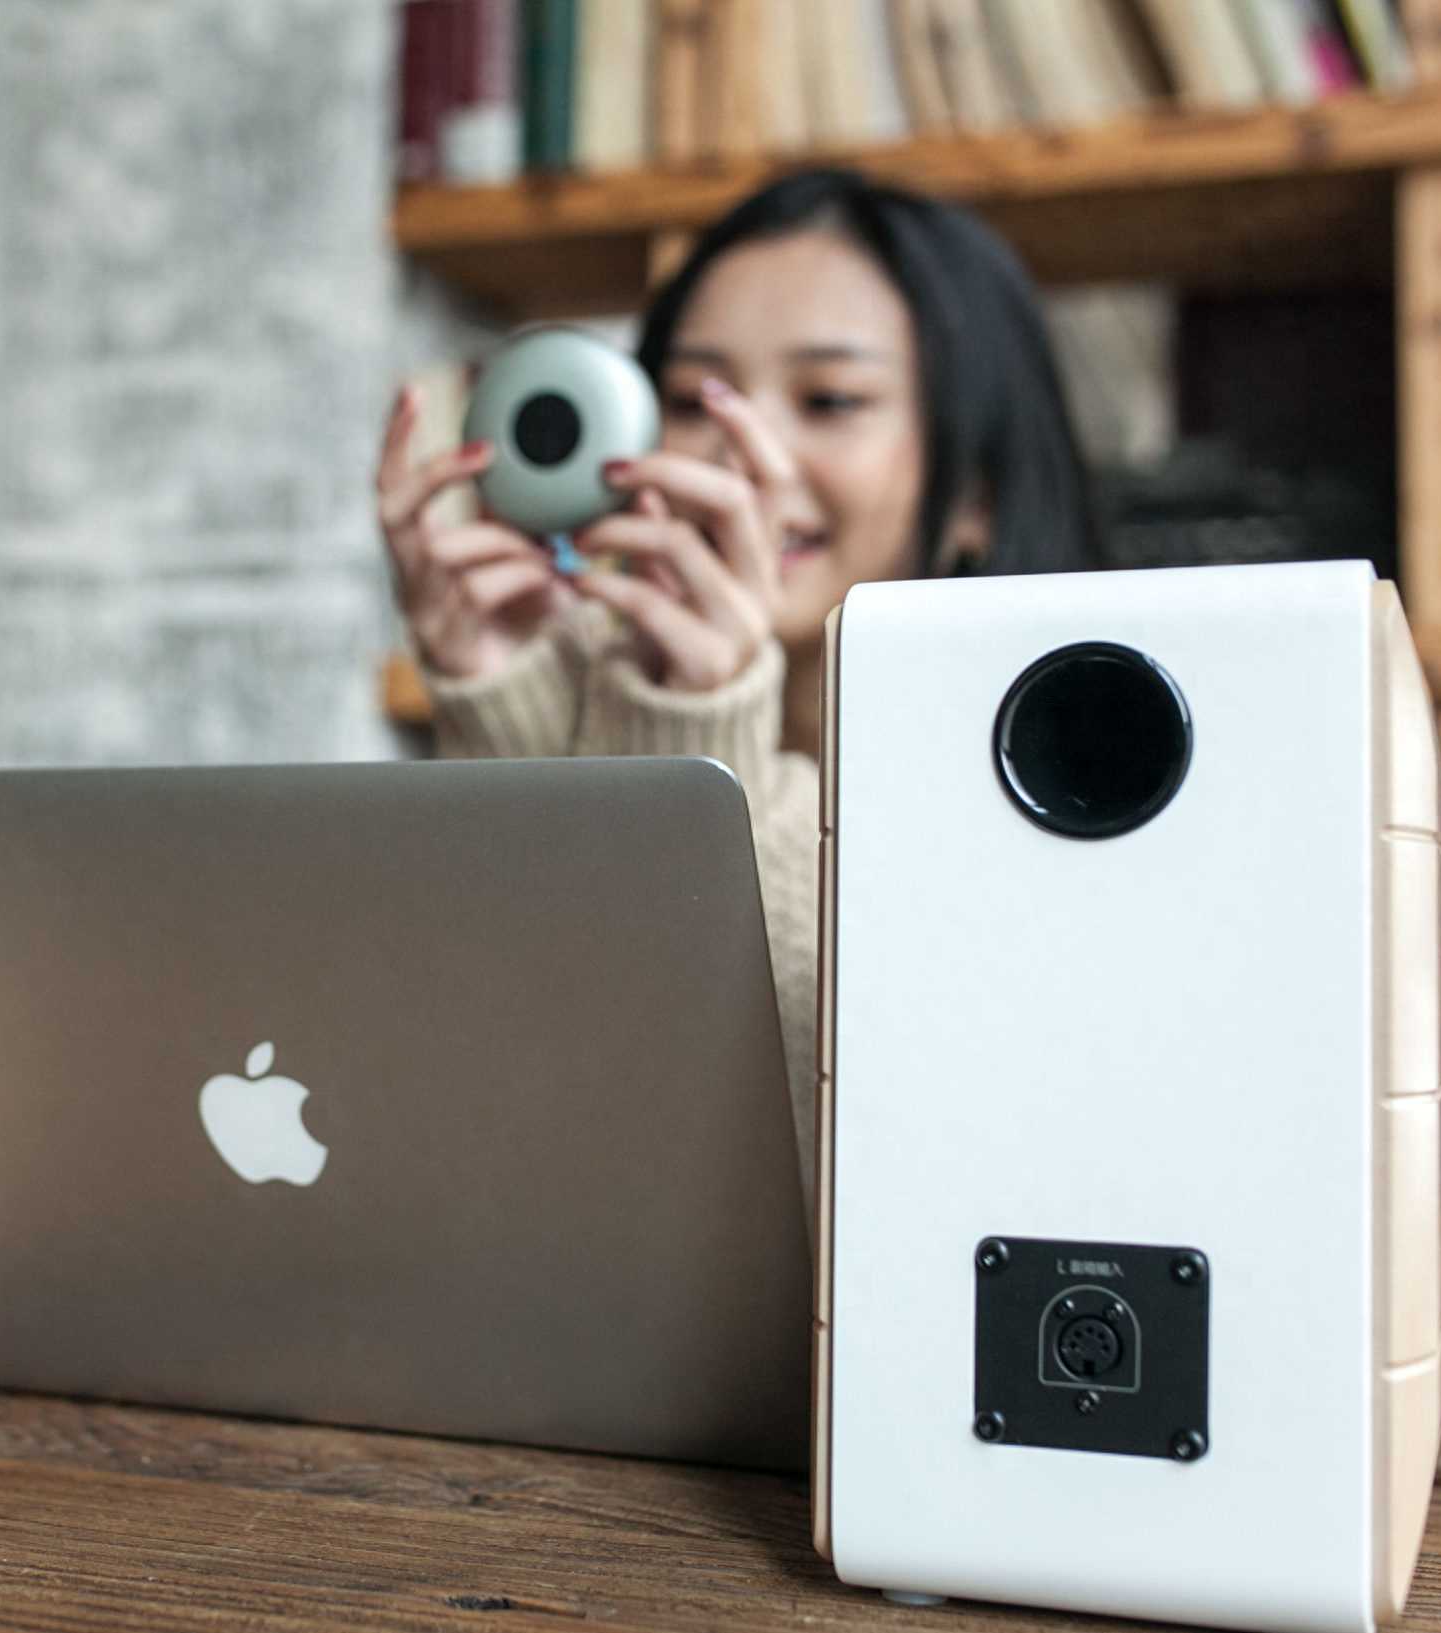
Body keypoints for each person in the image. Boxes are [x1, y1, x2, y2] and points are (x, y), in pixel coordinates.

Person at [372, 168, 1101, 1188]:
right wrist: (512, 717)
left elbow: (804, 1204)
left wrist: (690, 752)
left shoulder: (1058, 833)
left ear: (976, 489)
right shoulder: (602, 696)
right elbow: (499, 1156)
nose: (740, 457)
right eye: (688, 399)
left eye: (829, 400)